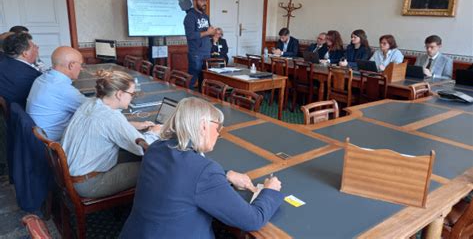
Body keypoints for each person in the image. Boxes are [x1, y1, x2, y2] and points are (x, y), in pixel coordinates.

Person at [120, 97, 283, 238]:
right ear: (204, 125)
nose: (219, 133)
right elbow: (252, 220)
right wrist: (270, 191)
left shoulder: (156, 147)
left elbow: (180, 177)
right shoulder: (204, 171)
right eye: (218, 127)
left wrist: (226, 175)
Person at [61, 70, 161, 198]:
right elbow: (142, 149)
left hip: (72, 172)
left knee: (130, 155)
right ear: (119, 94)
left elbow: (102, 126)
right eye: (132, 94)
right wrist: (154, 132)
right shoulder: (111, 118)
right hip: (89, 183)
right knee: (154, 167)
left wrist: (132, 125)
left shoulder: (90, 103)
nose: (132, 97)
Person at [26, 47, 87, 141]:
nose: (82, 68)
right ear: (71, 65)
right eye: (81, 64)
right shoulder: (63, 89)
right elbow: (93, 110)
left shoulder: (42, 78)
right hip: (54, 145)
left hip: (38, 139)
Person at [184, 0, 215, 88]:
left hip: (206, 51)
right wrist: (207, 33)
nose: (204, 3)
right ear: (194, 1)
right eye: (201, 0)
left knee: (205, 80)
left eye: (205, 1)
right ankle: (188, 99)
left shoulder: (205, 16)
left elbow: (208, 32)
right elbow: (190, 35)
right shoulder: (190, 17)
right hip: (196, 53)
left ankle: (203, 101)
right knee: (192, 80)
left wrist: (212, 32)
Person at [0, 32, 41, 107]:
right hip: (22, 113)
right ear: (25, 53)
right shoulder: (33, 76)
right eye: (33, 46)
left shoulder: (3, 63)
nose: (37, 47)